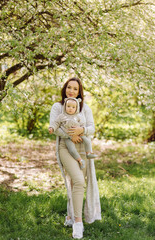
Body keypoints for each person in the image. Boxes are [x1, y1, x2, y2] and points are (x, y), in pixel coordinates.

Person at [49, 77, 101, 239]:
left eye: (75, 89)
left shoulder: (85, 108)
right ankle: (79, 223)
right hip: (66, 147)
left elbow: (92, 128)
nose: (71, 91)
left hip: (83, 148)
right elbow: (54, 127)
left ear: (79, 92)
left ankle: (71, 217)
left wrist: (82, 130)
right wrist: (70, 136)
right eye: (69, 87)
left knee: (75, 183)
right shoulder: (58, 107)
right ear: (65, 89)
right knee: (78, 181)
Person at [49, 97, 97, 170]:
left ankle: (88, 153)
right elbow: (56, 123)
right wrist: (52, 128)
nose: (70, 108)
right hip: (67, 137)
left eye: (73, 107)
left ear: (76, 108)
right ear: (65, 106)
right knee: (71, 149)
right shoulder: (62, 116)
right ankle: (80, 160)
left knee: (87, 141)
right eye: (68, 106)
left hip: (78, 134)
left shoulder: (78, 116)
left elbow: (82, 123)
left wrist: (81, 130)